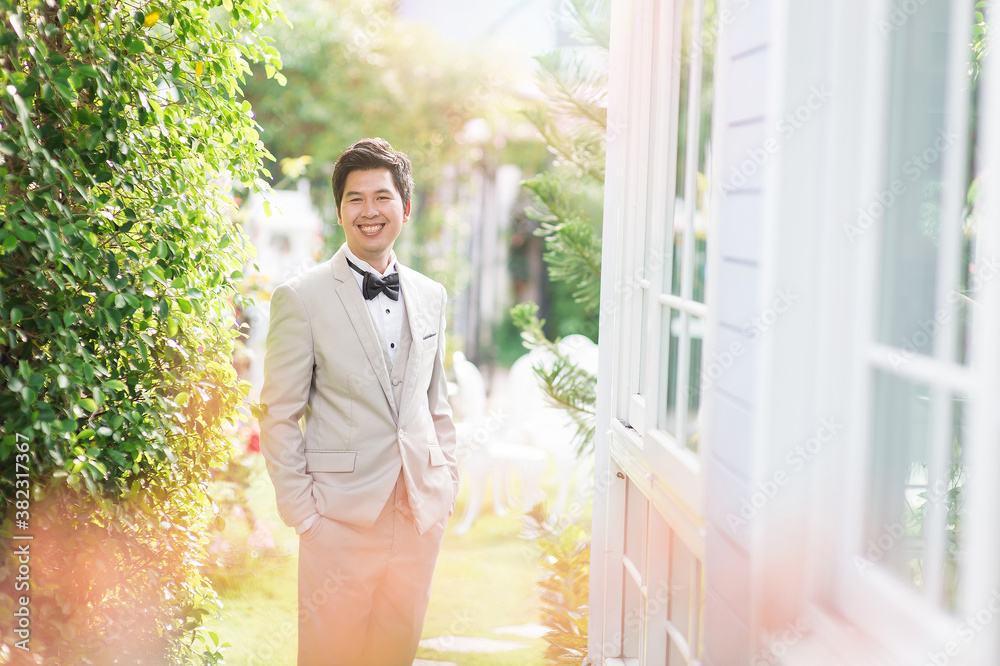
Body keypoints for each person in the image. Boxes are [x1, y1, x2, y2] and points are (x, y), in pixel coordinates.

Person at [259, 138, 458, 665]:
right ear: (341, 211)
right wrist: (305, 519)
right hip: (338, 524)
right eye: (355, 199)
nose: (370, 210)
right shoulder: (301, 297)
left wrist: (446, 485)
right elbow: (278, 415)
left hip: (417, 518)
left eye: (382, 197)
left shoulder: (432, 295)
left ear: (405, 208)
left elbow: (437, 404)